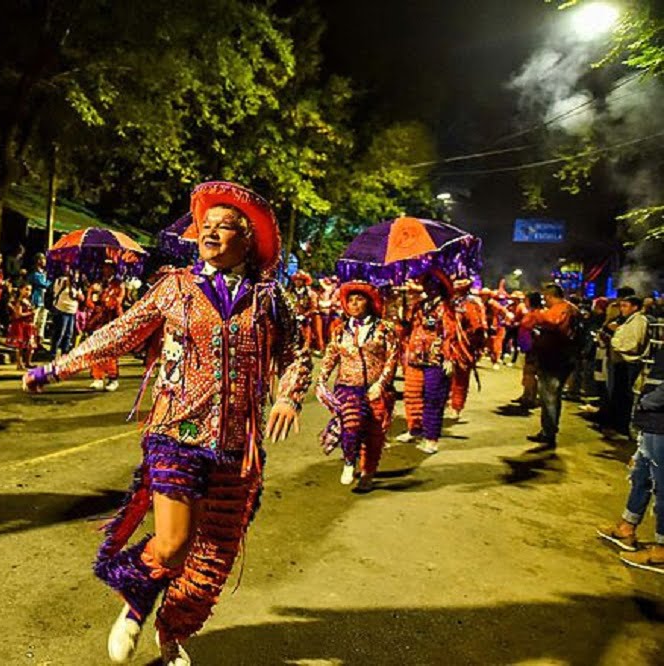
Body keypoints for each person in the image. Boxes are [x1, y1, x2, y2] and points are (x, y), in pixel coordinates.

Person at [24, 181, 311, 666]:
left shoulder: (268, 299)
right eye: (206, 226)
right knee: (174, 544)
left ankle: (173, 631)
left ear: (249, 241)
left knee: (211, 561)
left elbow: (295, 355)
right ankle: (135, 605)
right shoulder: (173, 287)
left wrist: (288, 396)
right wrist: (57, 367)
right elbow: (121, 332)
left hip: (238, 445)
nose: (211, 234)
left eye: (225, 227)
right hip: (175, 430)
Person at [316, 281, 399, 491]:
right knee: (351, 423)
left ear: (369, 303)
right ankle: (348, 460)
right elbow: (330, 356)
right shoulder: (339, 330)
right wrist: (321, 380)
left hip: (376, 387)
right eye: (350, 300)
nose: (354, 304)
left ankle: (368, 473)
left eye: (359, 299)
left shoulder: (384, 329)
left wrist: (381, 384)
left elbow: (392, 358)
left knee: (374, 434)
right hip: (347, 386)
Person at [596, 339, 664, 573]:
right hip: (652, 422)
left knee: (663, 489)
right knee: (640, 476)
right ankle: (626, 527)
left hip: (660, 421)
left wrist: (648, 401)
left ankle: (662, 551)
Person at [396, 270, 471, 454]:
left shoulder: (448, 308)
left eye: (433, 284)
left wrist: (450, 357)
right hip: (415, 356)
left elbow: (452, 334)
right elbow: (407, 327)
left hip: (437, 359)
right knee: (411, 395)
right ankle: (414, 429)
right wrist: (401, 311)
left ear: (440, 287)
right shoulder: (418, 305)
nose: (429, 287)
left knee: (433, 399)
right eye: (427, 283)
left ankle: (431, 438)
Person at [520, 283, 581, 451]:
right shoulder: (572, 308)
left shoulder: (561, 309)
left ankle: (549, 432)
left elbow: (553, 322)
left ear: (549, 296)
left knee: (549, 395)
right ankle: (548, 430)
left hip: (555, 358)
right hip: (563, 357)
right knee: (551, 395)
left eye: (545, 297)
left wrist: (536, 317)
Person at [606, 295, 650, 437]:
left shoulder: (638, 321)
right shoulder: (629, 321)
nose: (622, 309)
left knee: (625, 396)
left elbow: (633, 344)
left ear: (634, 307)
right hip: (622, 362)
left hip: (629, 362)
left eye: (625, 306)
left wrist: (614, 341)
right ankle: (616, 424)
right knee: (619, 395)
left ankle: (622, 426)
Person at [449, 278, 486, 421]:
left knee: (460, 378)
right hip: (444, 344)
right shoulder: (448, 300)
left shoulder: (471, 303)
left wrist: (474, 344)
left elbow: (477, 327)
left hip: (462, 346)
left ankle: (456, 406)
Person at [85, 260, 126, 391]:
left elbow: (118, 301)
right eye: (104, 267)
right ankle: (97, 377)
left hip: (112, 321)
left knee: (110, 351)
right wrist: (94, 303)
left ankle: (113, 378)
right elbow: (89, 300)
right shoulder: (97, 284)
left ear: (113, 270)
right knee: (96, 350)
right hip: (98, 321)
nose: (105, 270)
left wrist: (108, 303)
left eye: (108, 268)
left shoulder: (118, 285)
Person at [50, 269, 84, 357]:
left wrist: (78, 295)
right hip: (61, 310)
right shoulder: (61, 281)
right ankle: (53, 353)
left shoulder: (76, 285)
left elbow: (81, 297)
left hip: (72, 311)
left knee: (69, 334)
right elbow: (55, 292)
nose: (76, 277)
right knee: (60, 333)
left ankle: (64, 354)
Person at [7, 284, 38, 369]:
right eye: (26, 289)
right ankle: (19, 363)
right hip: (21, 325)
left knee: (30, 345)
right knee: (20, 345)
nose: (28, 292)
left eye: (30, 290)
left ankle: (28, 362)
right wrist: (31, 313)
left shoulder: (28, 301)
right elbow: (18, 314)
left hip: (28, 325)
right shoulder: (19, 301)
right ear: (21, 290)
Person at [27, 253, 53, 349]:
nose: (45, 262)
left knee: (42, 322)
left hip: (44, 300)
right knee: (34, 320)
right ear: (38, 261)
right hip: (36, 299)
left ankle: (39, 341)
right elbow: (44, 284)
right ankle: (31, 340)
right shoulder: (35, 274)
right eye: (43, 259)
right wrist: (50, 281)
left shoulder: (44, 273)